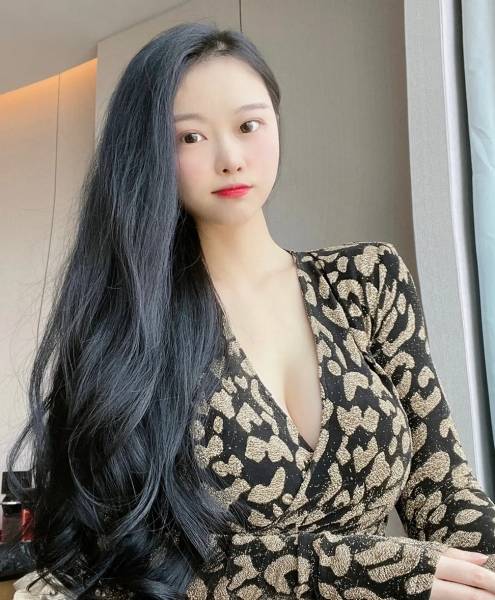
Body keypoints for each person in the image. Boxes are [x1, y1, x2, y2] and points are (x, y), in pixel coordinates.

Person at [7, 22, 495, 600]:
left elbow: (445, 492)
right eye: (190, 137)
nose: (231, 158)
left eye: (248, 125)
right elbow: (127, 564)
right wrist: (353, 571)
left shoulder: (367, 281)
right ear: (149, 155)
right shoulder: (129, 333)